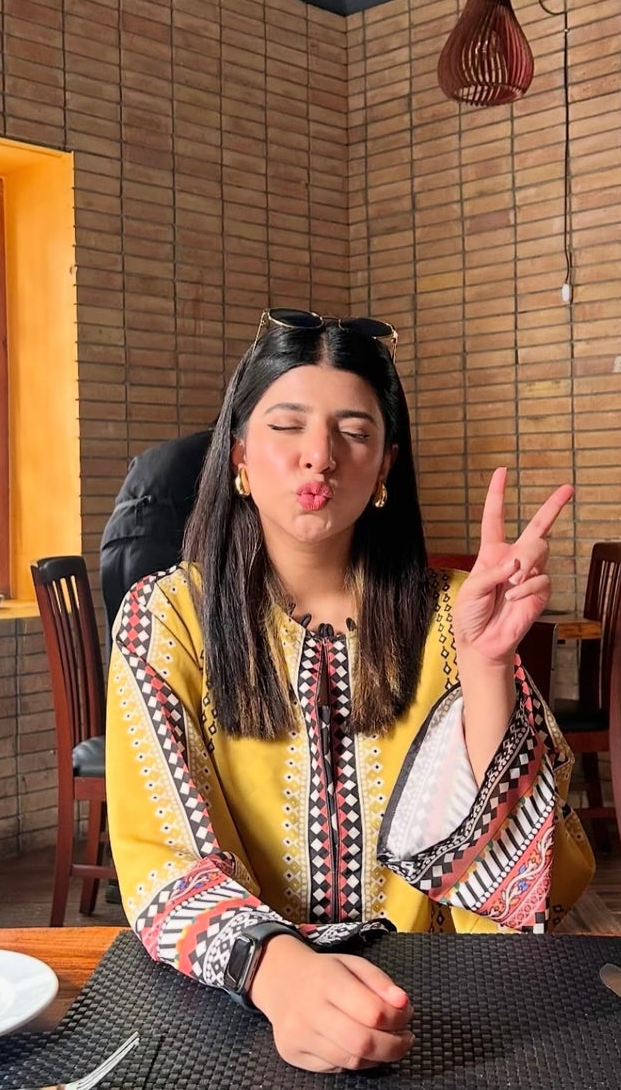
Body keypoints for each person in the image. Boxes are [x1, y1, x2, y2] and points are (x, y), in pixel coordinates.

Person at [106, 308, 594, 1075]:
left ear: (386, 466)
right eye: (286, 426)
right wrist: (279, 973)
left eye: (354, 432)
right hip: (240, 998)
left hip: (436, 1003)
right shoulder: (167, 618)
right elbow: (162, 855)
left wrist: (486, 666)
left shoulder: (456, 614)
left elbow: (529, 883)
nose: (320, 456)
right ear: (239, 456)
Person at [99, 427, 212, 643]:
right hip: (154, 533)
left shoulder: (177, 450)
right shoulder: (217, 451)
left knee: (121, 634)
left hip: (114, 535)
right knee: (156, 634)